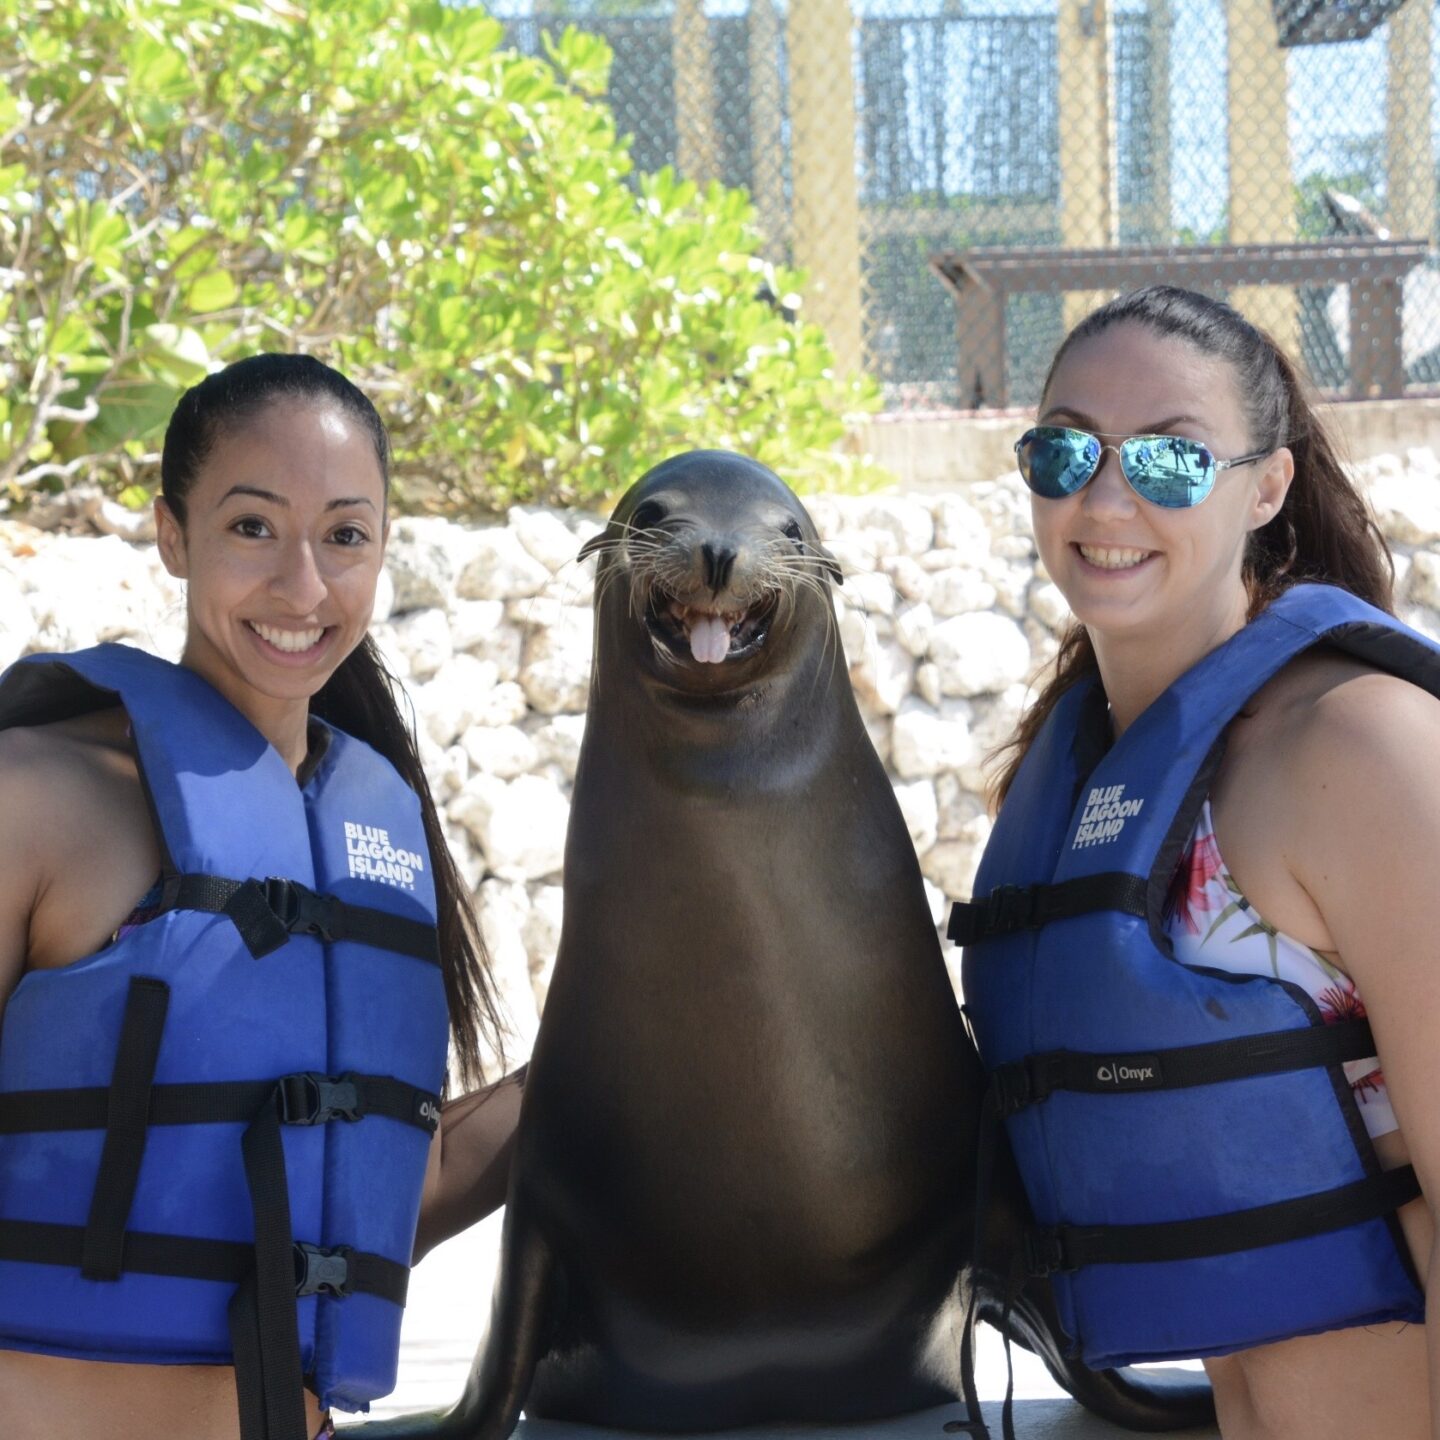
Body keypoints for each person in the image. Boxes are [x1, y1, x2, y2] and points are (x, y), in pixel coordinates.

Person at [0, 355, 524, 1440]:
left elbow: (391, 1195)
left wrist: (636, 1038)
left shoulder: (376, 841)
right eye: (252, 528)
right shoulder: (34, 800)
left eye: (345, 536)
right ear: (172, 534)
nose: (303, 587)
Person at [955, 286, 1436, 1440]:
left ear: (1266, 486)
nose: (1105, 497)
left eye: (1170, 461)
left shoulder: (1356, 748)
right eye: (1063, 451)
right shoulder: (1074, 779)